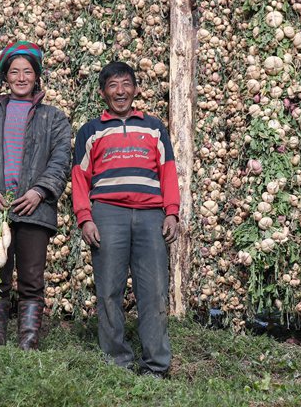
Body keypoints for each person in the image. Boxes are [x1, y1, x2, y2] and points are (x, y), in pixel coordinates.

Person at [72, 61, 180, 378]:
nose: (120, 91)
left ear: (135, 89)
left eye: (126, 84)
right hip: (108, 214)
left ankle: (156, 366)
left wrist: (171, 211)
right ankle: (116, 361)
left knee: (155, 291)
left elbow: (168, 171)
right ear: (103, 93)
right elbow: (79, 178)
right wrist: (85, 218)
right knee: (108, 291)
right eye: (113, 85)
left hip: (150, 216)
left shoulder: (154, 127)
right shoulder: (90, 131)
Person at [0, 41, 71, 350]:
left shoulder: (54, 117)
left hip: (35, 209)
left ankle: (27, 345)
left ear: (37, 77)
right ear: (5, 77)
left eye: (28, 71)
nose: (21, 78)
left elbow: (61, 158)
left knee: (32, 279)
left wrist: (40, 191)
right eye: (14, 72)